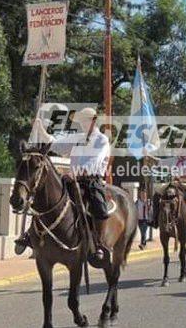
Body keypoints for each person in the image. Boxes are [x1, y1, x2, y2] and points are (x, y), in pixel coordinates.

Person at [21, 107, 111, 261]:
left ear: (94, 121)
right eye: (81, 121)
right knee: (48, 198)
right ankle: (31, 235)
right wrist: (39, 128)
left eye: (85, 120)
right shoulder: (77, 138)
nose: (82, 123)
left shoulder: (102, 140)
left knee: (99, 207)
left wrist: (78, 172)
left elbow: (95, 161)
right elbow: (54, 143)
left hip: (91, 181)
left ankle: (98, 243)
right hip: (71, 179)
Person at [150, 155, 186, 233]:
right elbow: (160, 162)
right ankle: (155, 220)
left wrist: (180, 177)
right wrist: (149, 155)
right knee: (156, 195)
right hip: (174, 183)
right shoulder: (174, 159)